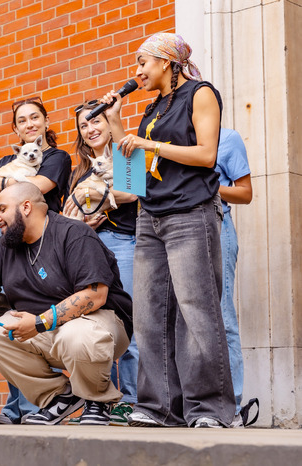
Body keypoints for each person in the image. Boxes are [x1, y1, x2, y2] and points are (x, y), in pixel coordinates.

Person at [100, 32, 236, 428]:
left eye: (143, 62)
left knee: (197, 312)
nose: (137, 71)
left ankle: (210, 410)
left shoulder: (200, 93)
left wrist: (150, 145)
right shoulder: (150, 111)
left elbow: (206, 155)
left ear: (166, 62)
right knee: (149, 316)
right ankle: (159, 408)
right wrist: (116, 124)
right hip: (150, 218)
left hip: (190, 214)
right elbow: (132, 183)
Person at [0, 182, 132, 426]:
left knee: (76, 334)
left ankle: (98, 400)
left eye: (2, 209)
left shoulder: (73, 233)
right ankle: (59, 396)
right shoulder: (7, 244)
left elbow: (94, 295)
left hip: (98, 323)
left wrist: (41, 322)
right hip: (44, 329)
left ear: (26, 207)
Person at [0, 97, 72, 424]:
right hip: (5, 240)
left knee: (33, 316)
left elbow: (38, 188)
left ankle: (38, 406)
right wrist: (3, 191)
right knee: (10, 316)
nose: (30, 123)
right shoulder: (10, 157)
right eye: (22, 120)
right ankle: (16, 408)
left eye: (35, 117)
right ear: (15, 129)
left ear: (46, 122)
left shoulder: (57, 157)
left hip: (43, 243)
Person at [63, 100, 139, 426]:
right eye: (84, 125)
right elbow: (69, 210)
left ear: (109, 123)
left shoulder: (126, 149)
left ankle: (135, 402)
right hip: (90, 252)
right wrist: (82, 221)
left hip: (124, 244)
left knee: (129, 322)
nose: (91, 129)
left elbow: (132, 190)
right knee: (97, 327)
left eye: (96, 122)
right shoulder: (78, 170)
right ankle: (101, 401)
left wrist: (96, 203)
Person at [215, 128, 252, 425]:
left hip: (216, 226)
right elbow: (136, 184)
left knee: (222, 316)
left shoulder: (226, 138)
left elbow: (245, 192)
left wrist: (204, 187)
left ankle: (231, 405)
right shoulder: (157, 134)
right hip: (167, 233)